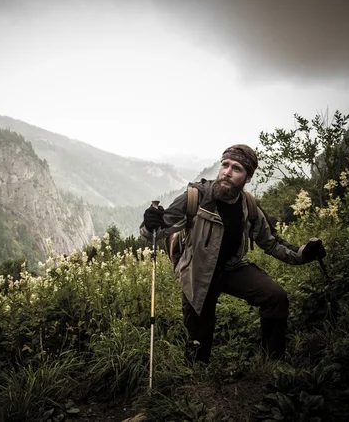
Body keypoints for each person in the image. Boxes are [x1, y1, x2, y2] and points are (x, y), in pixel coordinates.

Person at [140, 144, 326, 363]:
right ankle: (196, 380)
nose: (227, 172)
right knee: (199, 340)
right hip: (198, 275)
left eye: (236, 168)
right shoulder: (195, 197)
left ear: (247, 178)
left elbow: (272, 242)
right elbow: (155, 231)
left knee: (276, 297)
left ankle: (273, 364)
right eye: (225, 165)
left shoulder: (248, 205)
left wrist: (304, 254)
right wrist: (150, 223)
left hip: (233, 268)